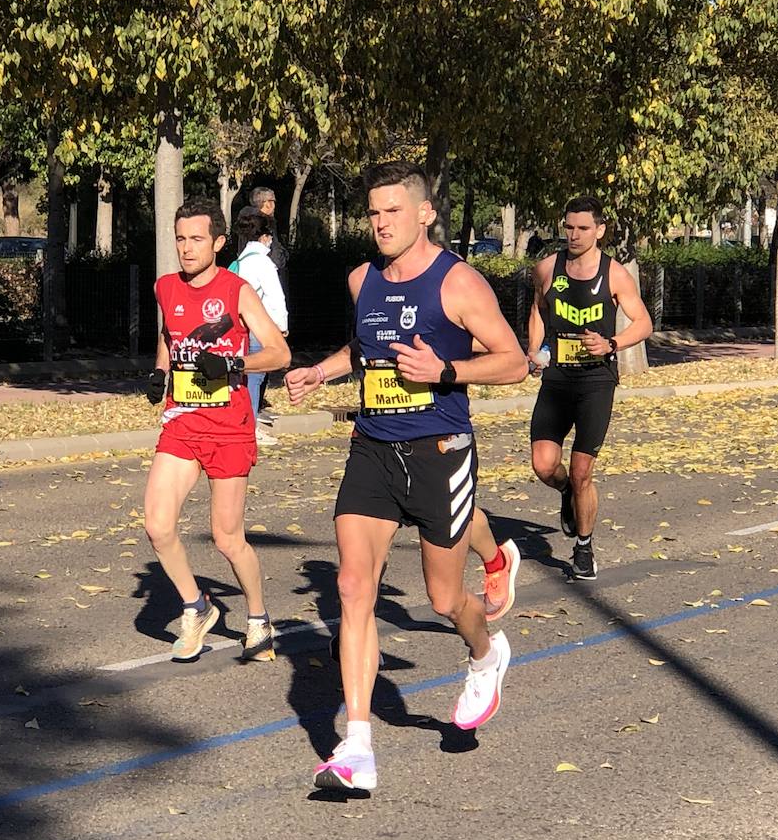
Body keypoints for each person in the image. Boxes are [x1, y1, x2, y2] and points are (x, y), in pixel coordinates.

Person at [285, 161, 527, 791]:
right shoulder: (361, 277)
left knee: (444, 600)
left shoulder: (459, 283)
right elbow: (362, 351)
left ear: (424, 213)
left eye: (394, 211)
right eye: (374, 212)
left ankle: (485, 653)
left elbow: (513, 362)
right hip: (371, 449)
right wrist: (320, 373)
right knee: (353, 585)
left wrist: (444, 371)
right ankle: (357, 746)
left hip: (438, 450)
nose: (381, 223)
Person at [144, 197, 291, 662]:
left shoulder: (236, 290)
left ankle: (257, 618)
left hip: (228, 426)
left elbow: (280, 353)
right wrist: (159, 371)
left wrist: (232, 363)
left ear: (219, 242)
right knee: (157, 525)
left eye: (196, 239)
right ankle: (196, 605)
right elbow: (169, 336)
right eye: (180, 239)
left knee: (227, 538)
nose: (187, 249)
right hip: (182, 421)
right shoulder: (164, 287)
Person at [526, 195, 653, 580]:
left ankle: (583, 546)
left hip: (596, 380)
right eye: (568, 227)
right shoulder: (547, 268)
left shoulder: (614, 274)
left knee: (582, 471)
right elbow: (538, 310)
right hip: (557, 378)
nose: (574, 235)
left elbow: (643, 323)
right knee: (544, 465)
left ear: (599, 230)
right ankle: (566, 493)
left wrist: (612, 344)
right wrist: (534, 349)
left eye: (583, 228)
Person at [229, 208, 288, 448]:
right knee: (254, 380)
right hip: (259, 330)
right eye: (270, 235)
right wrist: (281, 328)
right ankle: (250, 429)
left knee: (241, 381)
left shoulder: (238, 263)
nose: (271, 240)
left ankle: (241, 425)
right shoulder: (263, 262)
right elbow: (275, 298)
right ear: (264, 236)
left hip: (239, 329)